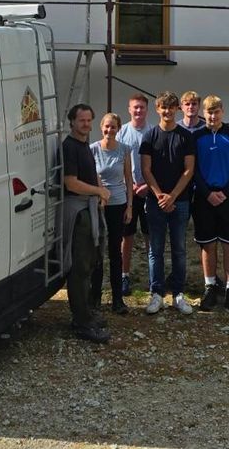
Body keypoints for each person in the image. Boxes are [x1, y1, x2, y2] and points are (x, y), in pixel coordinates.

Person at [140, 91, 197, 314]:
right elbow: (146, 169)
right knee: (155, 250)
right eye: (164, 107)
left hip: (180, 201)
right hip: (156, 203)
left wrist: (172, 196)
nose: (168, 111)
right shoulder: (150, 136)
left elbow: (189, 169)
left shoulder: (185, 137)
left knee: (179, 250)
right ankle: (156, 294)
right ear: (158, 109)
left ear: (177, 110)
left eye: (172, 107)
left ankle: (178, 294)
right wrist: (160, 196)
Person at [192, 95, 229, 313]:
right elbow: (192, 168)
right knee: (208, 244)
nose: (212, 116)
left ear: (222, 112)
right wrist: (207, 193)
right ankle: (210, 287)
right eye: (209, 112)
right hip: (204, 198)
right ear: (203, 113)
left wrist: (225, 192)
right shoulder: (197, 137)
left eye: (216, 111)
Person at [62, 104, 112, 343]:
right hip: (79, 211)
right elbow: (70, 183)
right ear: (71, 122)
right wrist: (99, 191)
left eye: (89, 120)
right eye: (81, 120)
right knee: (80, 268)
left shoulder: (83, 145)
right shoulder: (70, 147)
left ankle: (86, 314)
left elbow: (91, 175)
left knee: (91, 263)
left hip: (90, 208)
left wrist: (99, 192)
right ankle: (81, 322)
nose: (86, 125)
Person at [90, 112, 134, 316]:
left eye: (113, 127)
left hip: (118, 204)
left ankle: (118, 298)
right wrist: (101, 194)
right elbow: (92, 177)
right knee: (97, 251)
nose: (109, 130)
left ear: (118, 129)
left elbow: (128, 180)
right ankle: (95, 296)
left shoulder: (124, 150)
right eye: (106, 126)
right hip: (99, 205)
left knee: (115, 252)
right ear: (101, 127)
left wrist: (130, 207)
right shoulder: (93, 150)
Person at [116, 92, 151, 297]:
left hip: (148, 192)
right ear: (129, 109)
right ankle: (124, 276)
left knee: (150, 236)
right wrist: (127, 186)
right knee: (126, 237)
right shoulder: (121, 132)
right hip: (127, 194)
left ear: (147, 110)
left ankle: (152, 276)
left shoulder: (153, 132)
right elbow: (116, 162)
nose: (138, 111)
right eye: (135, 107)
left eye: (142, 107)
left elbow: (158, 164)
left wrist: (147, 185)